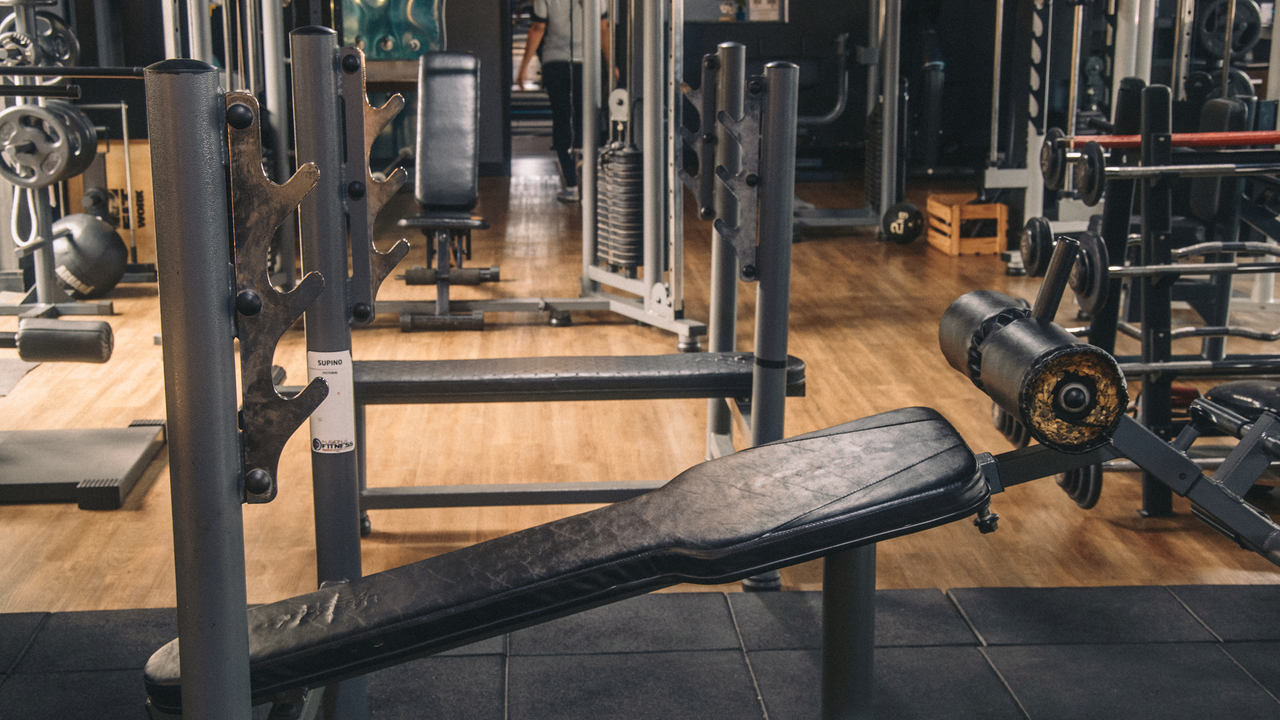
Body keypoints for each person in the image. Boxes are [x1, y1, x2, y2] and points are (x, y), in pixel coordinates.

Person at [516, 0, 608, 203]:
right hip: (588, 62)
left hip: (555, 63)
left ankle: (572, 185)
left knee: (562, 120)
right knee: (587, 121)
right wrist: (611, 64)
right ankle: (590, 184)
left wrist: (523, 67)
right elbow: (603, 28)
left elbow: (538, 28)